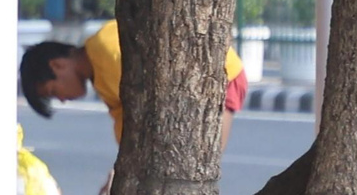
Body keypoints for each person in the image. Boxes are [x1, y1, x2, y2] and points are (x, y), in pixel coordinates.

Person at [20, 20, 247, 149]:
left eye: (53, 91)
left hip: (219, 74)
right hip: (194, 90)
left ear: (58, 65)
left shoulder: (107, 52)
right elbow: (129, 129)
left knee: (204, 164)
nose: (61, 99)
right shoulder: (100, 76)